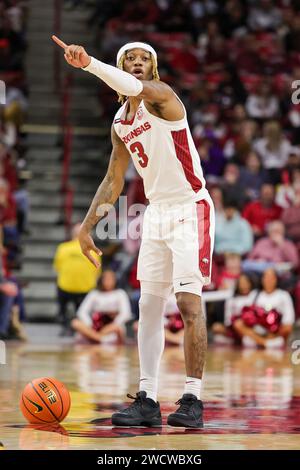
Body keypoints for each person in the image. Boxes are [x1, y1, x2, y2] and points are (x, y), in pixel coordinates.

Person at [52, 36, 215, 428]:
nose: (138, 62)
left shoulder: (163, 97)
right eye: (130, 58)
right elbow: (113, 180)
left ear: (152, 68)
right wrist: (86, 226)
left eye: (145, 58)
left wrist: (89, 63)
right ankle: (148, 398)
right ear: (121, 66)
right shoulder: (120, 122)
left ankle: (193, 399)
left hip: (190, 207)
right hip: (157, 211)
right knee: (147, 308)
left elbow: (134, 89)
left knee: (189, 304)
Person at [53, 223, 100, 334]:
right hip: (84, 289)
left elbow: (57, 268)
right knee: (83, 309)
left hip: (67, 287)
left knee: (62, 301)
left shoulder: (63, 248)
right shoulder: (94, 251)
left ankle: (65, 323)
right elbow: (97, 271)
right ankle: (80, 326)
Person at [233, 268, 295, 349]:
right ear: (262, 280)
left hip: (275, 331)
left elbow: (289, 319)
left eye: (271, 277)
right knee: (238, 323)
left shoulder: (283, 295)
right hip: (256, 330)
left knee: (288, 328)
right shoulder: (254, 294)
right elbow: (244, 313)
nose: (268, 280)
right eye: (265, 277)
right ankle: (264, 343)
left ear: (276, 279)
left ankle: (264, 342)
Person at [71, 269, 132, 344]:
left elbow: (126, 313)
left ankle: (94, 338)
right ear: (101, 280)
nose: (108, 281)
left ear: (115, 280)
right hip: (94, 325)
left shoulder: (120, 293)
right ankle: (98, 338)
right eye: (106, 279)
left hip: (112, 326)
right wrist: (89, 323)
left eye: (110, 279)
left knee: (117, 328)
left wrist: (114, 323)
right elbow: (82, 311)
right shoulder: (94, 293)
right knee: (75, 323)